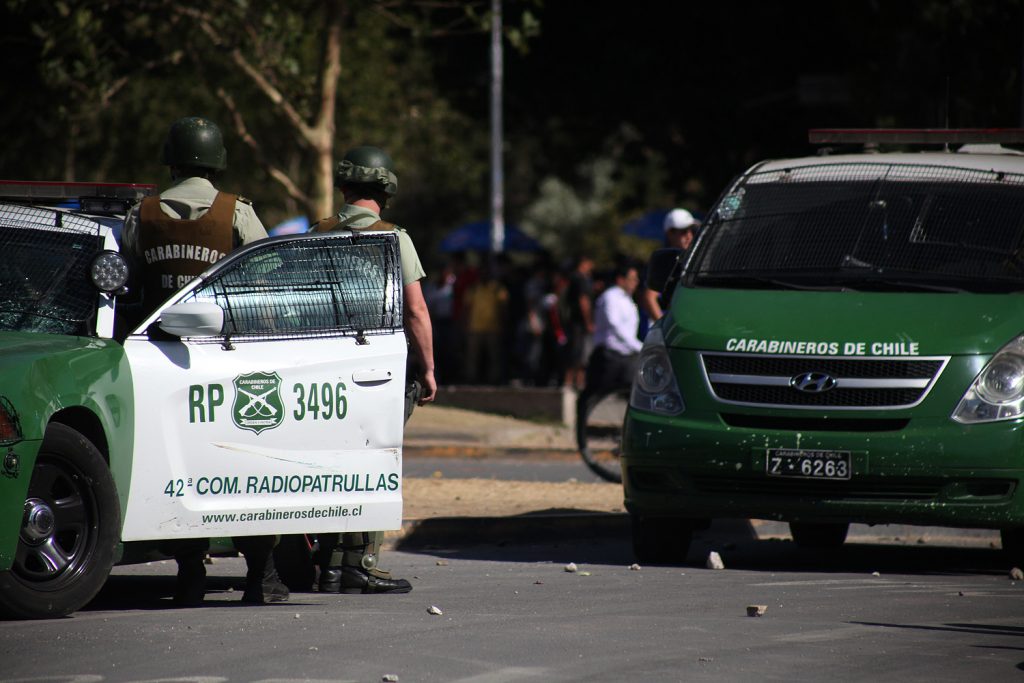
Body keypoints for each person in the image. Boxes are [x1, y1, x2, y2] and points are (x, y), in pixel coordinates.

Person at [121, 115, 286, 606]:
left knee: (177, 469)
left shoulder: (142, 214)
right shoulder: (238, 213)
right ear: (217, 162)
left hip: (161, 366)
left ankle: (190, 572)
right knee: (248, 469)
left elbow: (126, 285)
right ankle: (261, 576)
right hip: (229, 365)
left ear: (171, 161)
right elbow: (269, 280)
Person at [310, 144, 436, 594]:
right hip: (380, 371)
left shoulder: (317, 232)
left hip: (324, 369)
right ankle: (360, 564)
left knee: (330, 462)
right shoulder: (394, 238)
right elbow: (416, 311)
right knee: (374, 460)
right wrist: (429, 369)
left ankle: (328, 565)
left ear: (344, 187)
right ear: (386, 191)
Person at [576, 264, 643, 429]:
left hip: (628, 355)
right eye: (632, 279)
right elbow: (615, 325)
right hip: (610, 355)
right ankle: (581, 429)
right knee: (595, 394)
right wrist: (638, 346)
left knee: (633, 396)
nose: (636, 282)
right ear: (620, 280)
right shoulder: (610, 297)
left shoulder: (628, 299)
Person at [640, 208, 699, 323]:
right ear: (670, 233)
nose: (689, 235)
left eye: (691, 230)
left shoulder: (691, 258)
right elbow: (649, 297)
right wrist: (663, 326)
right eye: (683, 231)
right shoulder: (665, 260)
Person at [563, 255, 595, 389]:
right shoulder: (581, 279)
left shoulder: (575, 278)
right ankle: (571, 381)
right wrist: (588, 321)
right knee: (578, 352)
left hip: (574, 320)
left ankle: (576, 381)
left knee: (578, 352)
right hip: (579, 322)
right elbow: (583, 301)